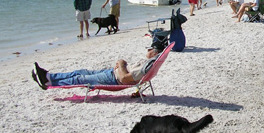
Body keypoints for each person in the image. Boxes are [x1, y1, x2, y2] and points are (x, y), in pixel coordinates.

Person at [31, 41, 165, 90]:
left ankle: (49, 83)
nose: (147, 51)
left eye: (149, 50)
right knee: (80, 71)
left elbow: (124, 79)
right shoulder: (149, 64)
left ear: (154, 53)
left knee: (80, 78)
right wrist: (121, 65)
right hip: (113, 74)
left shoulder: (145, 67)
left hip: (114, 79)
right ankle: (49, 76)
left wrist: (121, 63)